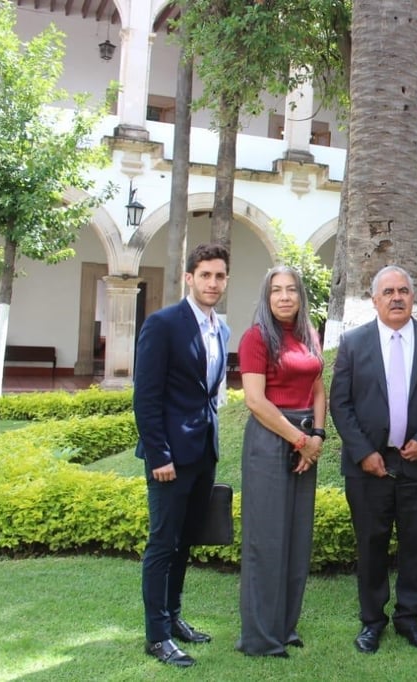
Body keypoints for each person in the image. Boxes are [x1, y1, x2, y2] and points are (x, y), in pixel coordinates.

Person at [329, 265, 417, 654]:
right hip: (369, 466)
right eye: (388, 292)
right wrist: (364, 452)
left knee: (416, 544)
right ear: (375, 300)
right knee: (371, 543)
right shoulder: (353, 343)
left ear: (413, 297)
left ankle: (409, 618)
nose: (397, 297)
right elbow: (340, 402)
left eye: (403, 290)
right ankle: (372, 621)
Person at [133, 242, 231, 668]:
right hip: (169, 458)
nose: (212, 283)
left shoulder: (220, 329)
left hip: (203, 453)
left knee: (186, 541)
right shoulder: (163, 324)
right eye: (205, 275)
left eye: (220, 276)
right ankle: (156, 635)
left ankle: (174, 618)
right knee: (162, 544)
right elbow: (146, 397)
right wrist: (159, 456)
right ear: (189, 278)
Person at [236, 265, 326, 658]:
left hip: (305, 436)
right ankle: (260, 638)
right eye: (277, 291)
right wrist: (300, 440)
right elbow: (255, 401)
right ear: (267, 297)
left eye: (291, 289)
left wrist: (318, 436)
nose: (285, 297)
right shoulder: (256, 338)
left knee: (296, 538)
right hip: (271, 440)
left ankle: (285, 628)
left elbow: (318, 387)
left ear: (300, 295)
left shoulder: (310, 335)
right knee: (267, 541)